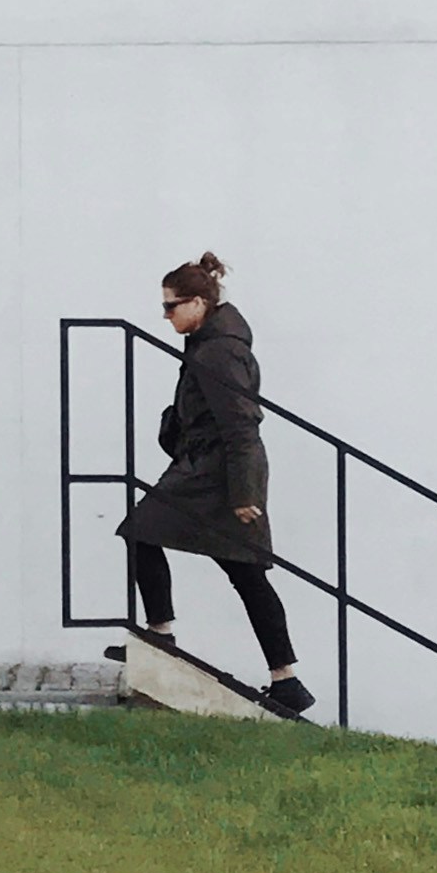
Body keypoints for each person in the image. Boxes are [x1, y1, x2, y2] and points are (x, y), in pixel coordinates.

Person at [118, 253, 315, 717]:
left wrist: (246, 494)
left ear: (201, 303)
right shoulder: (207, 342)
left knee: (144, 535)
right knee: (244, 576)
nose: (166, 316)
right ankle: (286, 681)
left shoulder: (221, 351)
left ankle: (163, 636)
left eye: (172, 306)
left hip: (216, 476)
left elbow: (242, 425)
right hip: (207, 470)